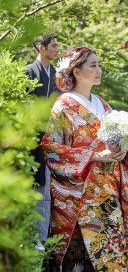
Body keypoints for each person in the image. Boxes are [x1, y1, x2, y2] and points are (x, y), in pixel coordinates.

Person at [40, 46, 128, 271]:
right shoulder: (63, 105)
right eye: (93, 66)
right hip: (79, 197)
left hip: (108, 194)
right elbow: (50, 147)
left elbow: (114, 144)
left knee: (111, 261)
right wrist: (93, 156)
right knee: (77, 262)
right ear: (76, 72)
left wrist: (120, 152)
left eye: (99, 65)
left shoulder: (102, 104)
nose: (99, 70)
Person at [25, 34, 59, 249]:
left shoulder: (57, 75)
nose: (57, 49)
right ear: (41, 47)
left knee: (46, 188)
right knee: (30, 182)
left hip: (51, 136)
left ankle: (41, 236)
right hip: (29, 137)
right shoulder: (27, 71)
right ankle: (25, 233)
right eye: (53, 46)